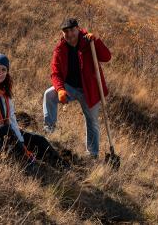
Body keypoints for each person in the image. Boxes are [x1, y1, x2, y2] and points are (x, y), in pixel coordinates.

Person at [0, 53, 70, 170]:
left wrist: (21, 143)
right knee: (5, 130)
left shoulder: (5, 95)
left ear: (7, 73)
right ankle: (30, 166)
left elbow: (12, 121)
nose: (0, 72)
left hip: (5, 135)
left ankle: (63, 167)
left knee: (38, 140)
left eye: (4, 70)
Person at [42, 18, 111, 159]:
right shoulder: (60, 49)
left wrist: (96, 41)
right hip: (70, 88)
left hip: (90, 90)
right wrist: (60, 89)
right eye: (66, 31)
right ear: (62, 33)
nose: (69, 34)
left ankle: (92, 155)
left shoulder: (89, 42)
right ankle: (49, 131)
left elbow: (106, 57)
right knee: (49, 94)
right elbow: (55, 73)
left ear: (78, 29)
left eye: (72, 30)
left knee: (92, 120)